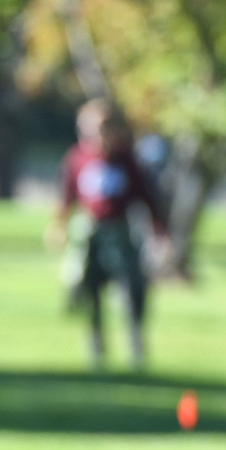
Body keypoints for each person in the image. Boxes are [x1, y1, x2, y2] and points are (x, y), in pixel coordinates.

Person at [50, 98, 167, 369]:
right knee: (89, 291)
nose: (95, 134)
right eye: (88, 128)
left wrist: (160, 231)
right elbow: (66, 196)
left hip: (120, 232)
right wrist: (59, 226)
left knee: (130, 291)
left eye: (101, 127)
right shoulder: (77, 158)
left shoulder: (127, 159)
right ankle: (97, 352)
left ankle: (136, 350)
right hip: (88, 232)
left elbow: (147, 197)